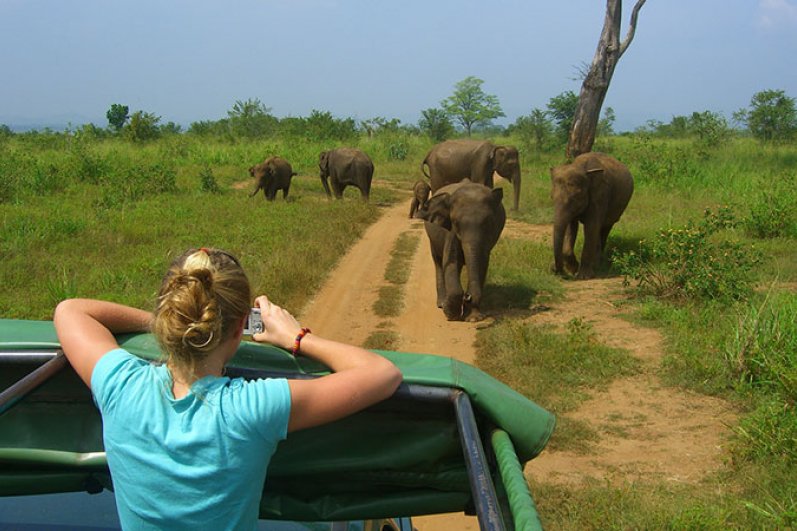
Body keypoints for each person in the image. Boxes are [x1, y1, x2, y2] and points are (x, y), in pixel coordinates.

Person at [53, 247, 403, 530]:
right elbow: (382, 373)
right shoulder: (251, 408)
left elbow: (71, 311)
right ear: (239, 330)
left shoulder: (121, 387)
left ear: (168, 316)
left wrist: (173, 322)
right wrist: (295, 337)